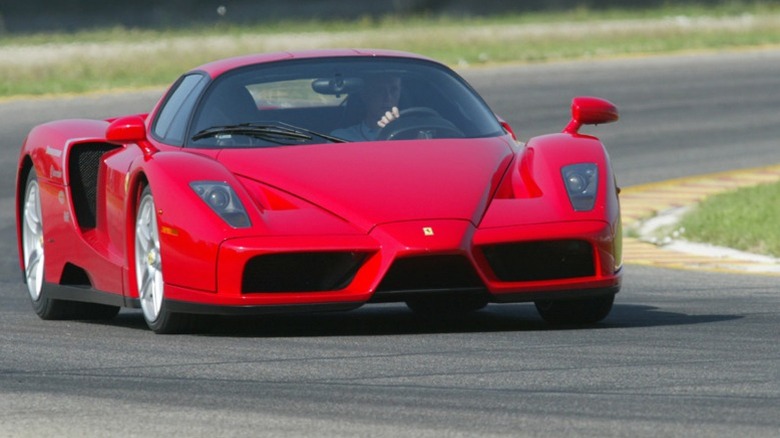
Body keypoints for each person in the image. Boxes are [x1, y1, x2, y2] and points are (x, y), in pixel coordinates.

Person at [331, 75, 402, 141]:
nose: (388, 98)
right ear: (365, 95)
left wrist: (396, 130)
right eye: (379, 90)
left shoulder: (409, 134)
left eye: (394, 90)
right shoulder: (341, 137)